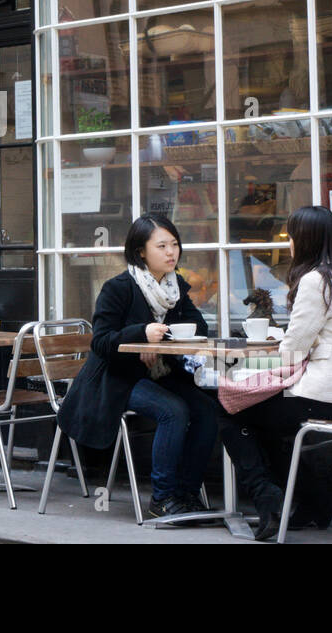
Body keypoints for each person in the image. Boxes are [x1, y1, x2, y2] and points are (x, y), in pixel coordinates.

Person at [217, 204, 332, 540]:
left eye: (292, 236)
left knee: (229, 411)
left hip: (323, 395)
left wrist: (267, 351)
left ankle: (267, 498)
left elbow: (292, 353)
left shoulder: (315, 280)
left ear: (305, 241)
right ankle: (312, 506)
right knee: (267, 422)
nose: (288, 243)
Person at [57, 214, 218, 518]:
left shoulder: (175, 289)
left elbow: (199, 326)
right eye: (162, 246)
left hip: (157, 374)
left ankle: (187, 494)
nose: (171, 252)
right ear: (141, 251)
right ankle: (163, 498)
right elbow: (101, 342)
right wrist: (141, 334)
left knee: (207, 410)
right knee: (174, 411)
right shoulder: (118, 288)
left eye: (174, 244)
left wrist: (158, 341)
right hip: (115, 378)